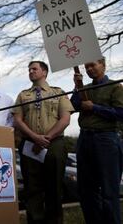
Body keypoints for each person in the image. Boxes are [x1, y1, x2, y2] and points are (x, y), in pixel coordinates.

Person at [12, 61, 73, 224]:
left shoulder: (58, 92)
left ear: (44, 72)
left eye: (34, 69)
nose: (31, 71)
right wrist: (34, 137)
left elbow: (65, 119)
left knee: (54, 187)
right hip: (30, 144)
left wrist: (46, 138)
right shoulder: (23, 95)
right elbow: (17, 120)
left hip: (54, 144)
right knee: (33, 189)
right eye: (29, 69)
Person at [70, 58, 123, 224]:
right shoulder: (84, 88)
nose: (89, 69)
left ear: (103, 65)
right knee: (86, 190)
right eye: (87, 66)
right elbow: (73, 106)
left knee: (109, 190)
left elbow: (121, 114)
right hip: (85, 139)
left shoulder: (115, 87)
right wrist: (77, 87)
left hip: (106, 139)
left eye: (93, 65)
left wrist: (94, 108)